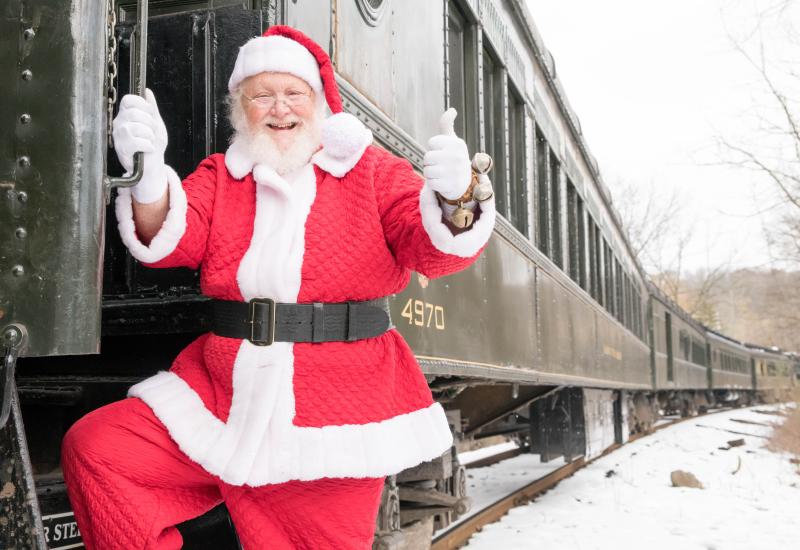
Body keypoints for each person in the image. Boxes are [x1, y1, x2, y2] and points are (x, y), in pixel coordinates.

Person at [61, 25, 496, 549]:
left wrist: (457, 199)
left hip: (335, 410)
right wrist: (149, 176)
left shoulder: (373, 172)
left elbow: (430, 247)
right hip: (219, 397)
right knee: (101, 449)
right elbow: (169, 237)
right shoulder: (223, 174)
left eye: (293, 93)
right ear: (239, 109)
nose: (279, 109)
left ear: (318, 102)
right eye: (261, 95)